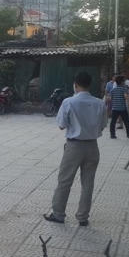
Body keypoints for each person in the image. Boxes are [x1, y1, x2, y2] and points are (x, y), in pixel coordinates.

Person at [43, 72, 108, 227]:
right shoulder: (100, 103)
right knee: (88, 183)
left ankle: (58, 214)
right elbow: (103, 125)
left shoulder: (69, 102)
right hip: (92, 147)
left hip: (74, 146)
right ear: (89, 84)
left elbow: (61, 125)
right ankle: (83, 217)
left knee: (65, 181)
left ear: (75, 84)